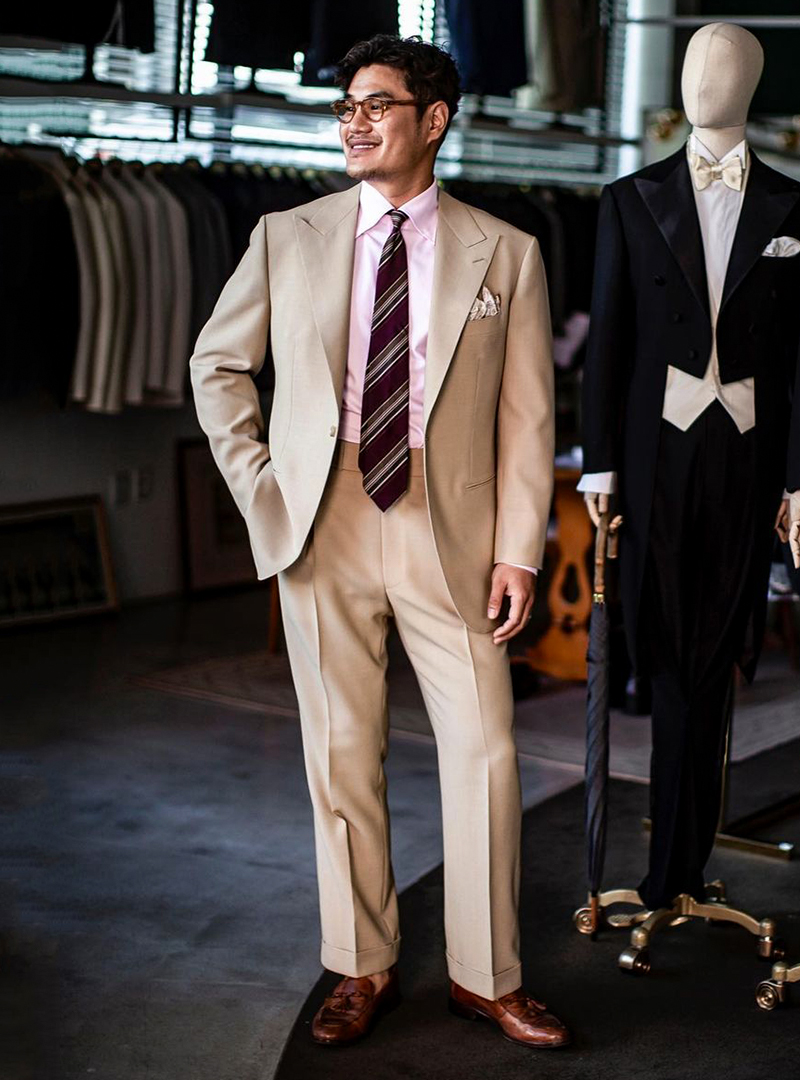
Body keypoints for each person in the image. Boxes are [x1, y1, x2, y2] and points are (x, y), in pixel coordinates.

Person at [189, 34, 567, 1049]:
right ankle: (361, 965)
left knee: (486, 750)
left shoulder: (508, 250)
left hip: (451, 529)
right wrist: (260, 486)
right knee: (341, 753)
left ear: (431, 119)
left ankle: (488, 977)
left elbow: (527, 419)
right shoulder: (286, 233)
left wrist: (518, 551)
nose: (352, 122)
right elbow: (216, 365)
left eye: (375, 105)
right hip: (322, 518)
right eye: (344, 107)